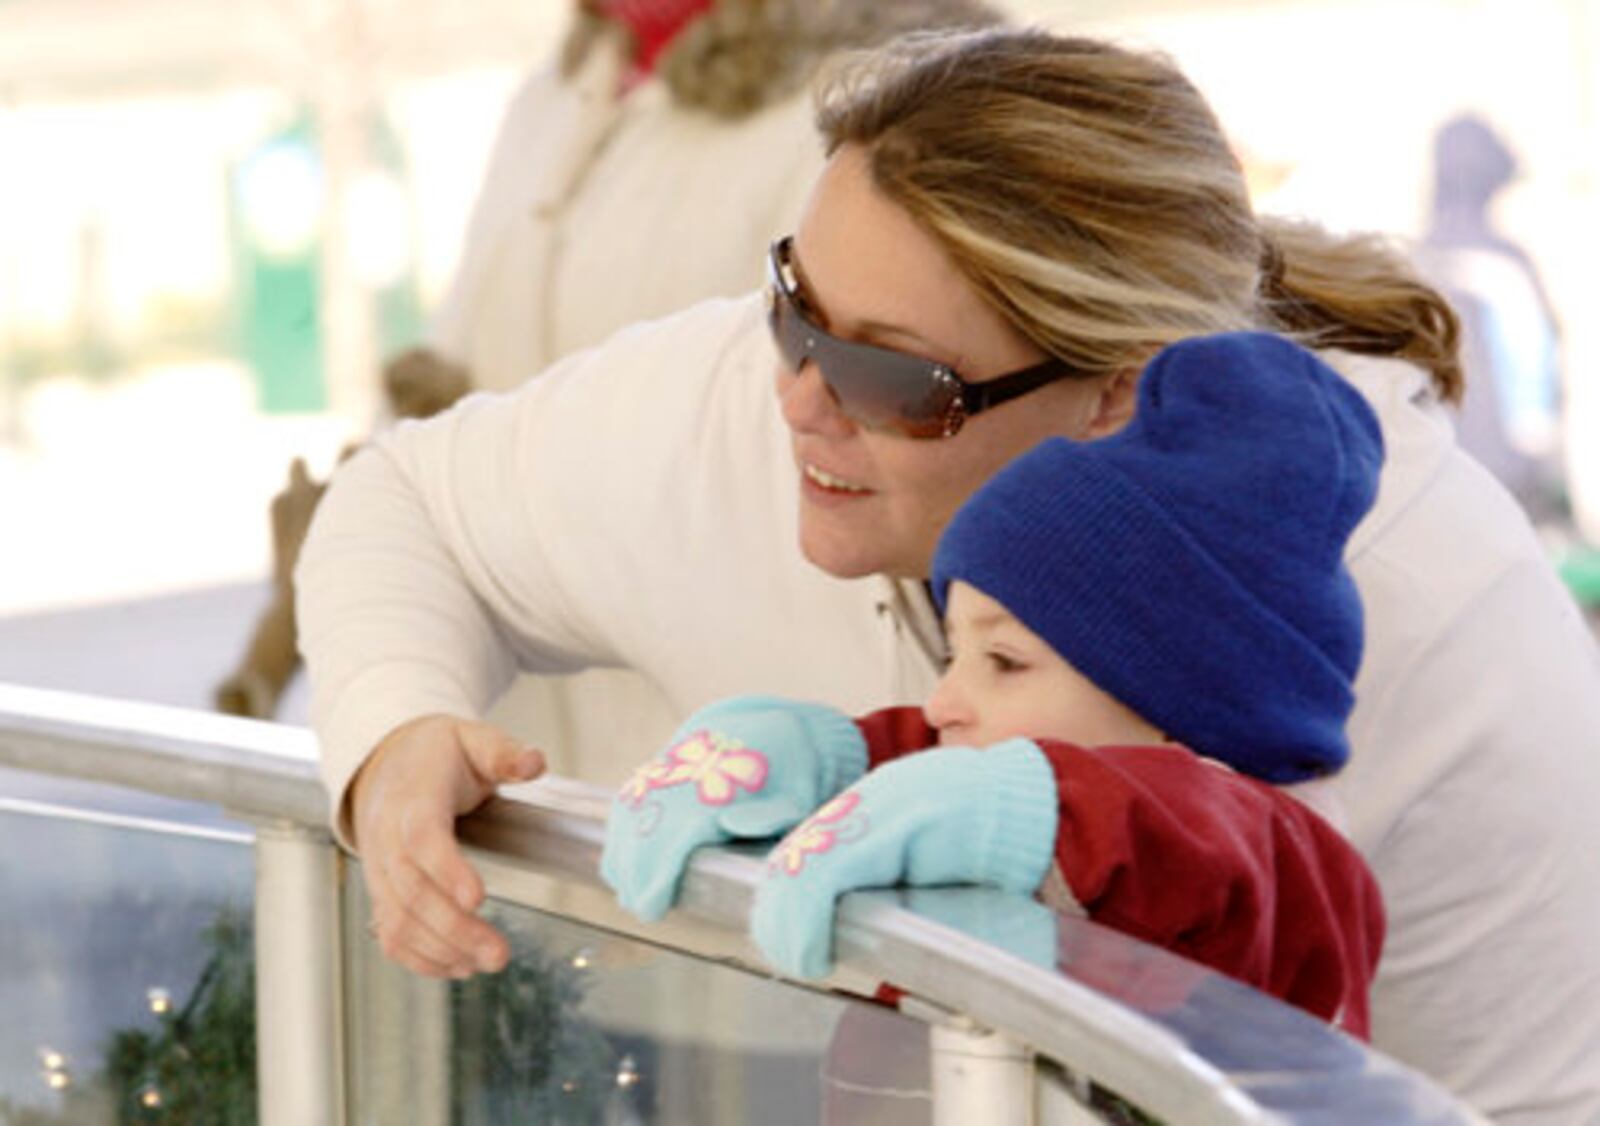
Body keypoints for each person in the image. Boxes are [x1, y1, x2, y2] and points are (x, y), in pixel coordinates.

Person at [297, 27, 1600, 1121]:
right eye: (791, 306)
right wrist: (394, 725)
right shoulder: (749, 408)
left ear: (1115, 395)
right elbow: (410, 501)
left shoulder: (1409, 607)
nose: (799, 397)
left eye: (886, 372)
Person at [215, 0, 1000, 719]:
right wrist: (388, 508)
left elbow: (822, 408)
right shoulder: (559, 96)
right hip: (520, 750)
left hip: (729, 752)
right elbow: (471, 342)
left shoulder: (869, 107)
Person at [601, 331, 1387, 1037]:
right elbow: (939, 765)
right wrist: (821, 758)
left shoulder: (1280, 862)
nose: (945, 701)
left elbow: (1167, 830)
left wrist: (1026, 810)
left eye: (1004, 663)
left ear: (1174, 706)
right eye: (954, 656)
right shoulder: (1028, 777)